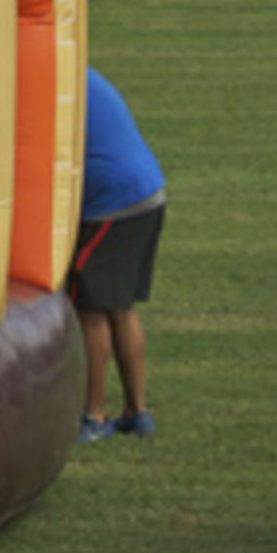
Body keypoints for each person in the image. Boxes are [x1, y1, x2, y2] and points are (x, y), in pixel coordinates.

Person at [73, 68, 168, 440]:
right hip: (146, 193)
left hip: (111, 202)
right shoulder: (80, 70)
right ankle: (137, 412)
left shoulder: (49, 75)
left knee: (91, 309)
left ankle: (94, 417)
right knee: (120, 306)